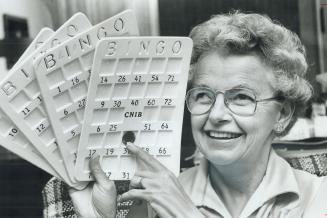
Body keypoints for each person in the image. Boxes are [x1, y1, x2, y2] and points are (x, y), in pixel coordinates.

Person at [47, 11, 327, 218]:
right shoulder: (151, 199)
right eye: (203, 95)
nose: (216, 114)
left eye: (241, 97)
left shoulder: (318, 196)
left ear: (282, 114)